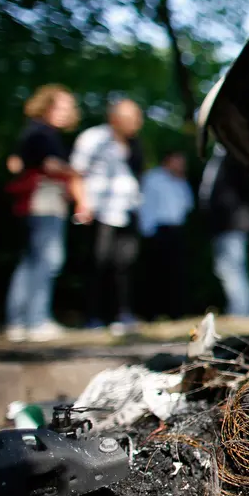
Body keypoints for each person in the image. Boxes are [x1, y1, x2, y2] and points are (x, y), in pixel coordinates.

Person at [4, 84, 88, 342]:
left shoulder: (31, 132)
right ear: (46, 106)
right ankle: (36, 320)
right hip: (44, 203)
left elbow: (15, 164)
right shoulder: (43, 134)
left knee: (30, 262)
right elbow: (52, 166)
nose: (65, 112)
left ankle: (18, 323)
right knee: (46, 262)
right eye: (60, 107)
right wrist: (75, 173)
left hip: (32, 205)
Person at [70, 99, 144, 335]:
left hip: (127, 209)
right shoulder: (93, 138)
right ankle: (93, 315)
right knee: (97, 263)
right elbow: (76, 171)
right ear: (115, 118)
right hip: (100, 210)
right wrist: (82, 202)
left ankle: (121, 314)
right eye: (131, 117)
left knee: (124, 264)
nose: (136, 123)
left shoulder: (134, 144)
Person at [200, 143, 249, 317]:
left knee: (232, 268)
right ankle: (239, 308)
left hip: (233, 222)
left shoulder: (234, 157)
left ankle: (241, 310)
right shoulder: (220, 159)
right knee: (226, 268)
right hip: (221, 224)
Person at [137, 149, 194, 319]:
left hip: (176, 229)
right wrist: (147, 231)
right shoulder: (153, 179)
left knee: (176, 273)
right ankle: (151, 312)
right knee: (155, 273)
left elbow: (188, 205)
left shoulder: (181, 181)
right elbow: (145, 206)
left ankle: (175, 311)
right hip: (157, 230)